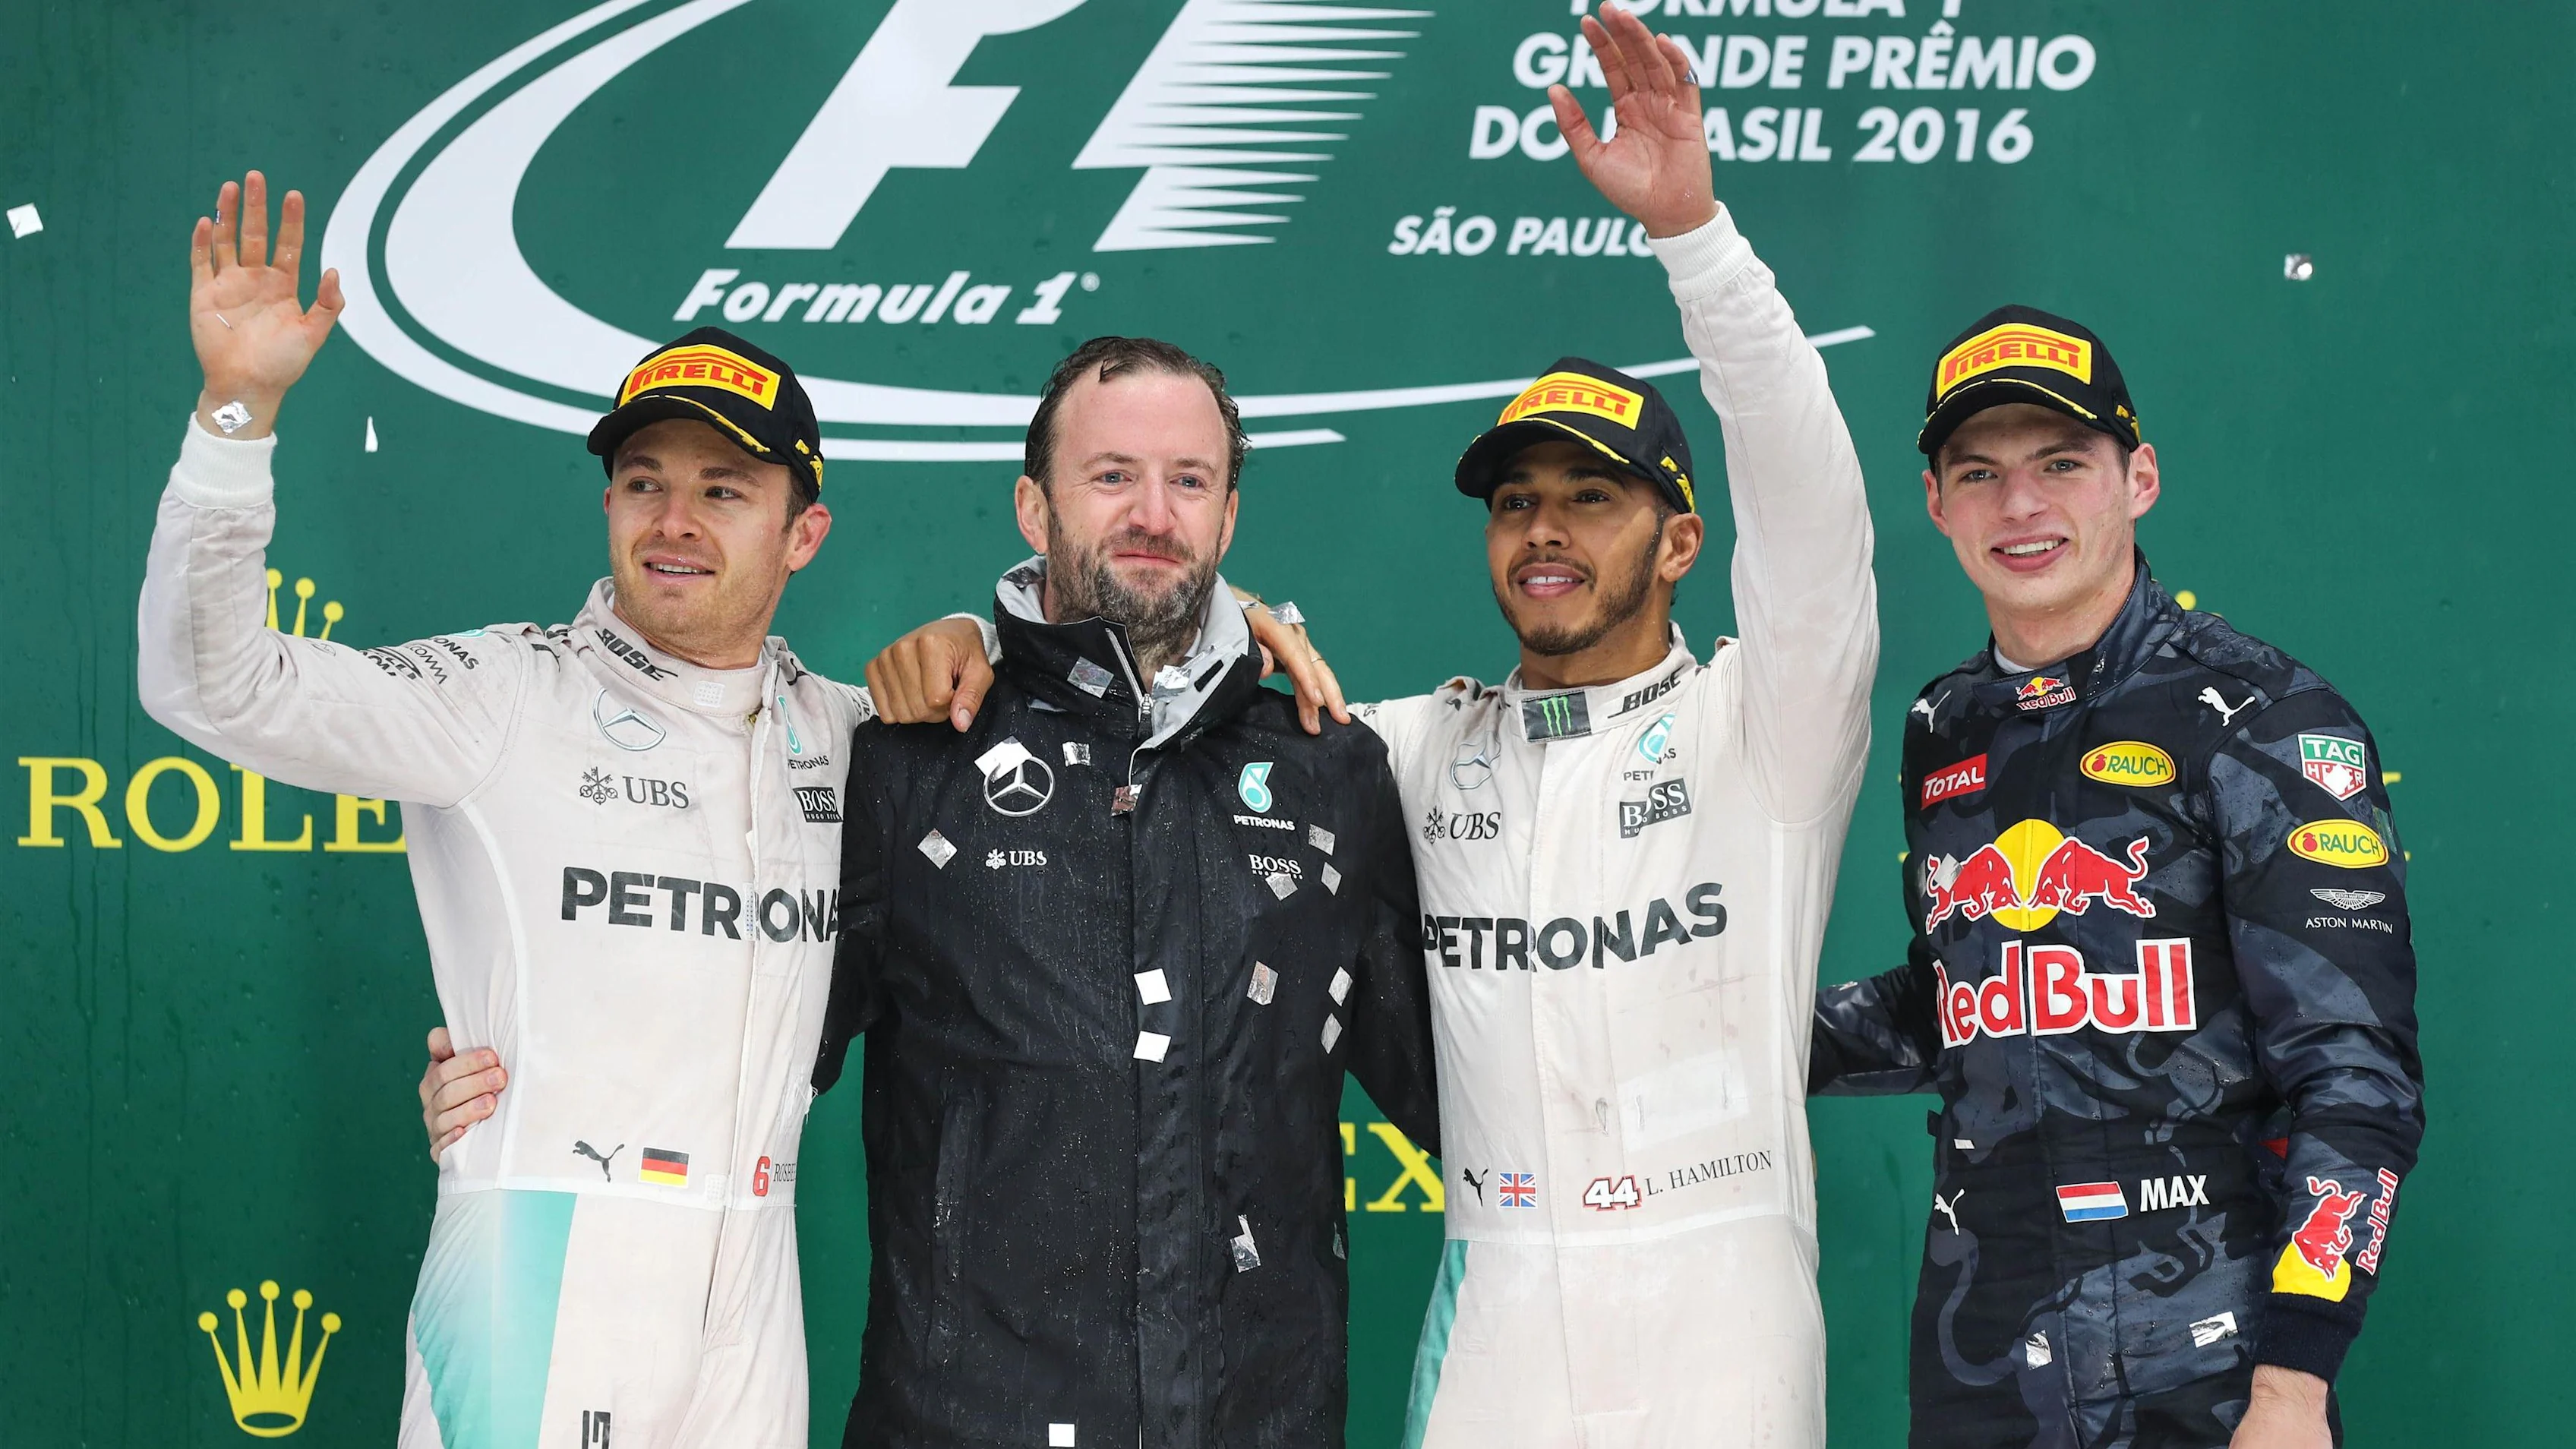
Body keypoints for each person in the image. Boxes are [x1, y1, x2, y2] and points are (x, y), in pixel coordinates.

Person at [870, 10, 1877, 1444]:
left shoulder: (1769, 725)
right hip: (1503, 1313)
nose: (1545, 533)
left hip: (1721, 1309)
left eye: (1593, 499)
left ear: (1680, 543)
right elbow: (1171, 714)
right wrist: (995, 636)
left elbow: (1816, 513)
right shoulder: (1386, 752)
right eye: (1518, 501)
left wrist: (1698, 240)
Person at [144, 171, 867, 1448]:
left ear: (802, 534)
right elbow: (215, 683)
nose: (676, 523)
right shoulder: (500, 694)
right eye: (646, 482)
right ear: (607, 503)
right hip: (543, 1263)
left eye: (725, 490)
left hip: (757, 1277)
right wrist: (236, 408)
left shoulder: (853, 733)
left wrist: (1009, 626)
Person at [1809, 305, 2424, 1448]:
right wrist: (1741, 1028)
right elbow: (1960, 997)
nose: (2023, 506)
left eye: (2061, 464)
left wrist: (2294, 1385)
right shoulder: (1944, 725)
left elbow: (2357, 1081)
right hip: (1981, 1352)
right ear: (1938, 506)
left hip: (2213, 1365)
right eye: (1980, 473)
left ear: (2137, 477)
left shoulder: (2266, 719)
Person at [820, 334, 1441, 1448]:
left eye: (1188, 482)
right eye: (1111, 477)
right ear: (1031, 505)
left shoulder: (1329, 767)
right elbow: (741, 1052)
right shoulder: (910, 762)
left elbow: (1480, 1092)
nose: (1153, 513)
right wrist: (529, 1095)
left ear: (1229, 518)